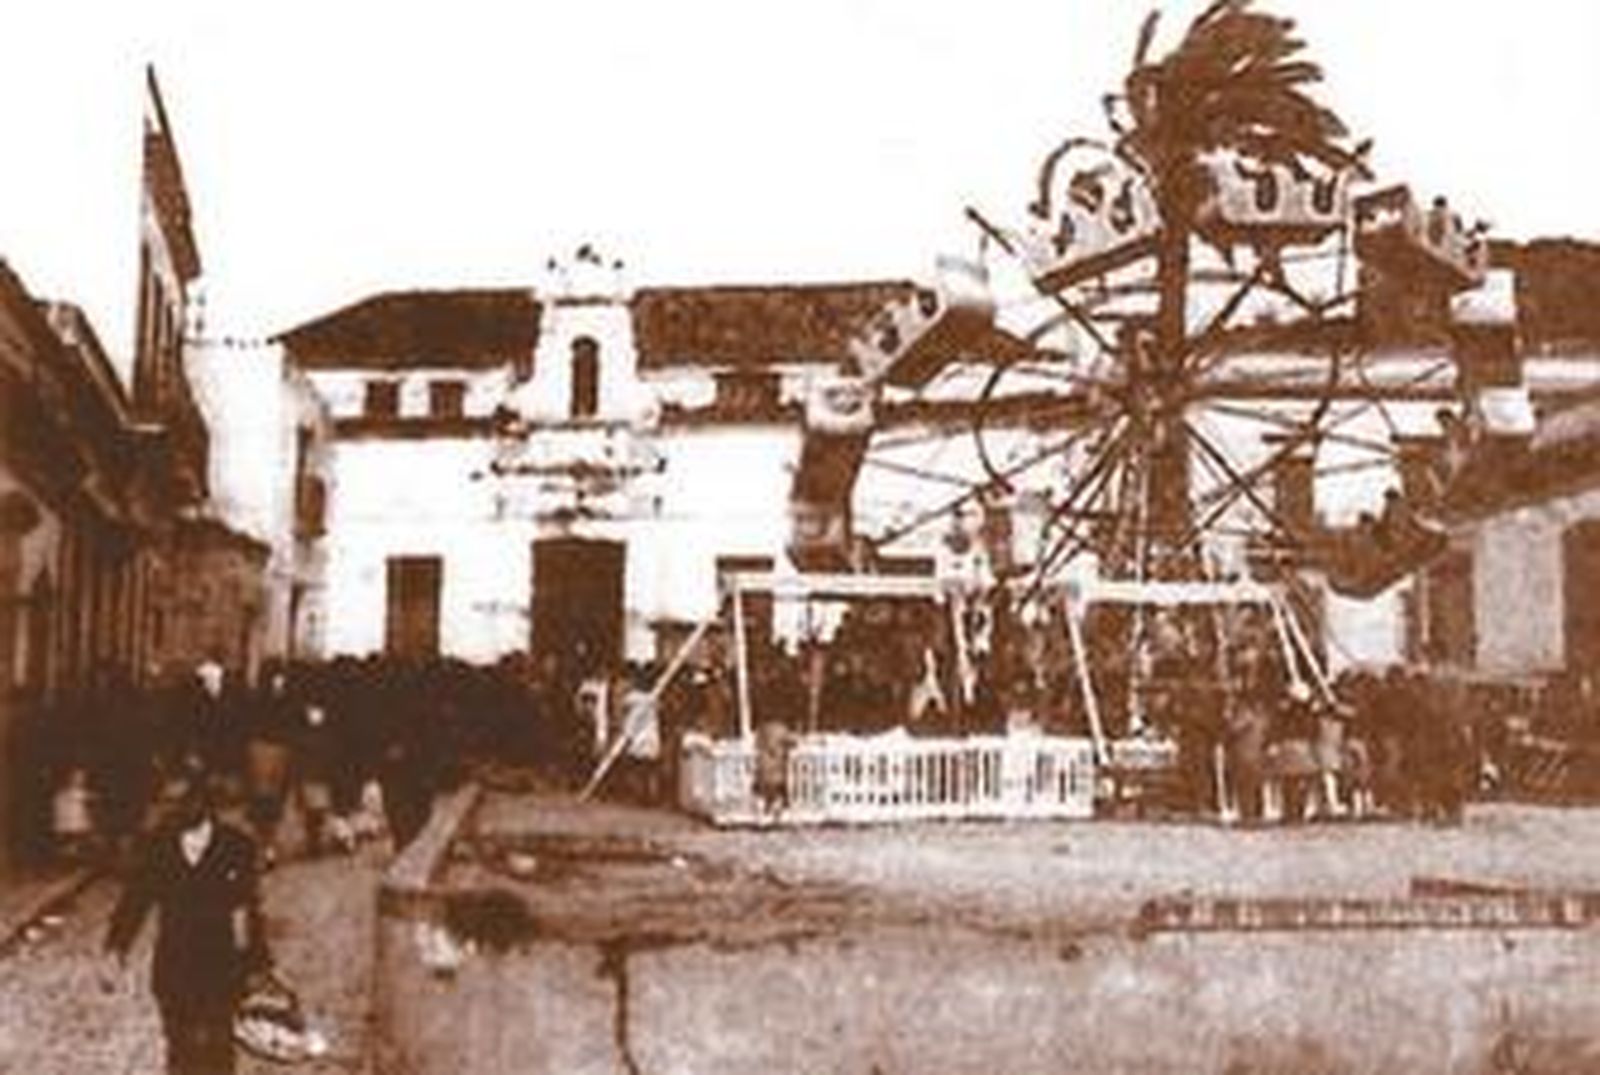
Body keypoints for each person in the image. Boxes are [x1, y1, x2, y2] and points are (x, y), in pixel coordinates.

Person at [100, 771, 271, 1075]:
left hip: (221, 965)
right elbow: (135, 901)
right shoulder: (157, 846)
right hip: (174, 967)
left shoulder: (236, 846)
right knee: (180, 1050)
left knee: (218, 1049)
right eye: (166, 802)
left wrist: (255, 964)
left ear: (202, 803)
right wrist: (116, 950)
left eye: (179, 802)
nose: (170, 810)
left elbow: (244, 910)